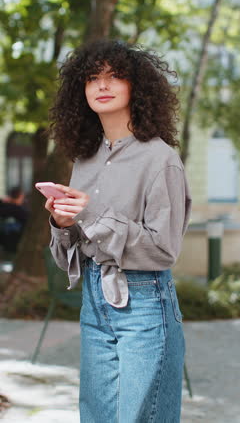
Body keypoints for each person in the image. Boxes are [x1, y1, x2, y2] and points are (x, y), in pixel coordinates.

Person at [45, 39, 192, 423]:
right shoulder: (85, 158)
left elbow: (163, 250)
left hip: (144, 303)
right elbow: (74, 253)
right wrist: (63, 225)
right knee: (95, 416)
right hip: (95, 301)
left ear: (136, 88)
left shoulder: (161, 159)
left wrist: (93, 213)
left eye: (115, 77)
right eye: (93, 78)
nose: (102, 85)